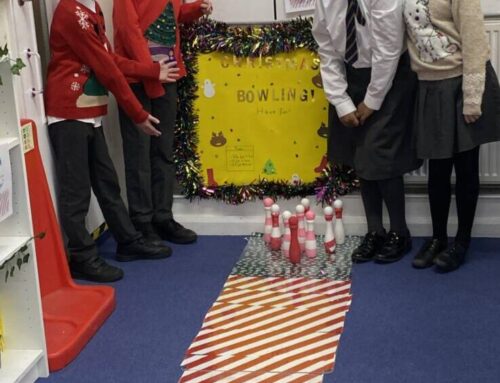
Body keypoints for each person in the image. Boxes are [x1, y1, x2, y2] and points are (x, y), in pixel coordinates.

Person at [44, 0, 179, 282]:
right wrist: (138, 113)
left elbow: (109, 59)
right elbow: (106, 67)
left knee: (107, 182)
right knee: (77, 193)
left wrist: (152, 71)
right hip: (68, 113)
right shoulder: (72, 12)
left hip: (89, 111)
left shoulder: (91, 8)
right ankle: (82, 256)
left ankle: (127, 241)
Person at [312, 0, 421, 264]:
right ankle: (375, 231)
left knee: (381, 154)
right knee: (360, 154)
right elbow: (327, 51)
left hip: (390, 76)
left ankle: (399, 232)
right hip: (352, 77)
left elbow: (388, 51)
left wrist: (372, 101)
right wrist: (340, 101)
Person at [404, 0, 500, 272]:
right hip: (430, 86)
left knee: (466, 166)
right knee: (438, 168)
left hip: (462, 83)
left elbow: (474, 41)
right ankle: (438, 238)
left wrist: (472, 98)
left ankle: (462, 241)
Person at [112, 0, 212, 247]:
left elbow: (174, 14)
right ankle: (142, 221)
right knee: (138, 154)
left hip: (168, 75)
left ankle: (162, 217)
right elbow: (128, 30)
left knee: (163, 151)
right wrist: (150, 71)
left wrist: (196, 9)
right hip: (138, 79)